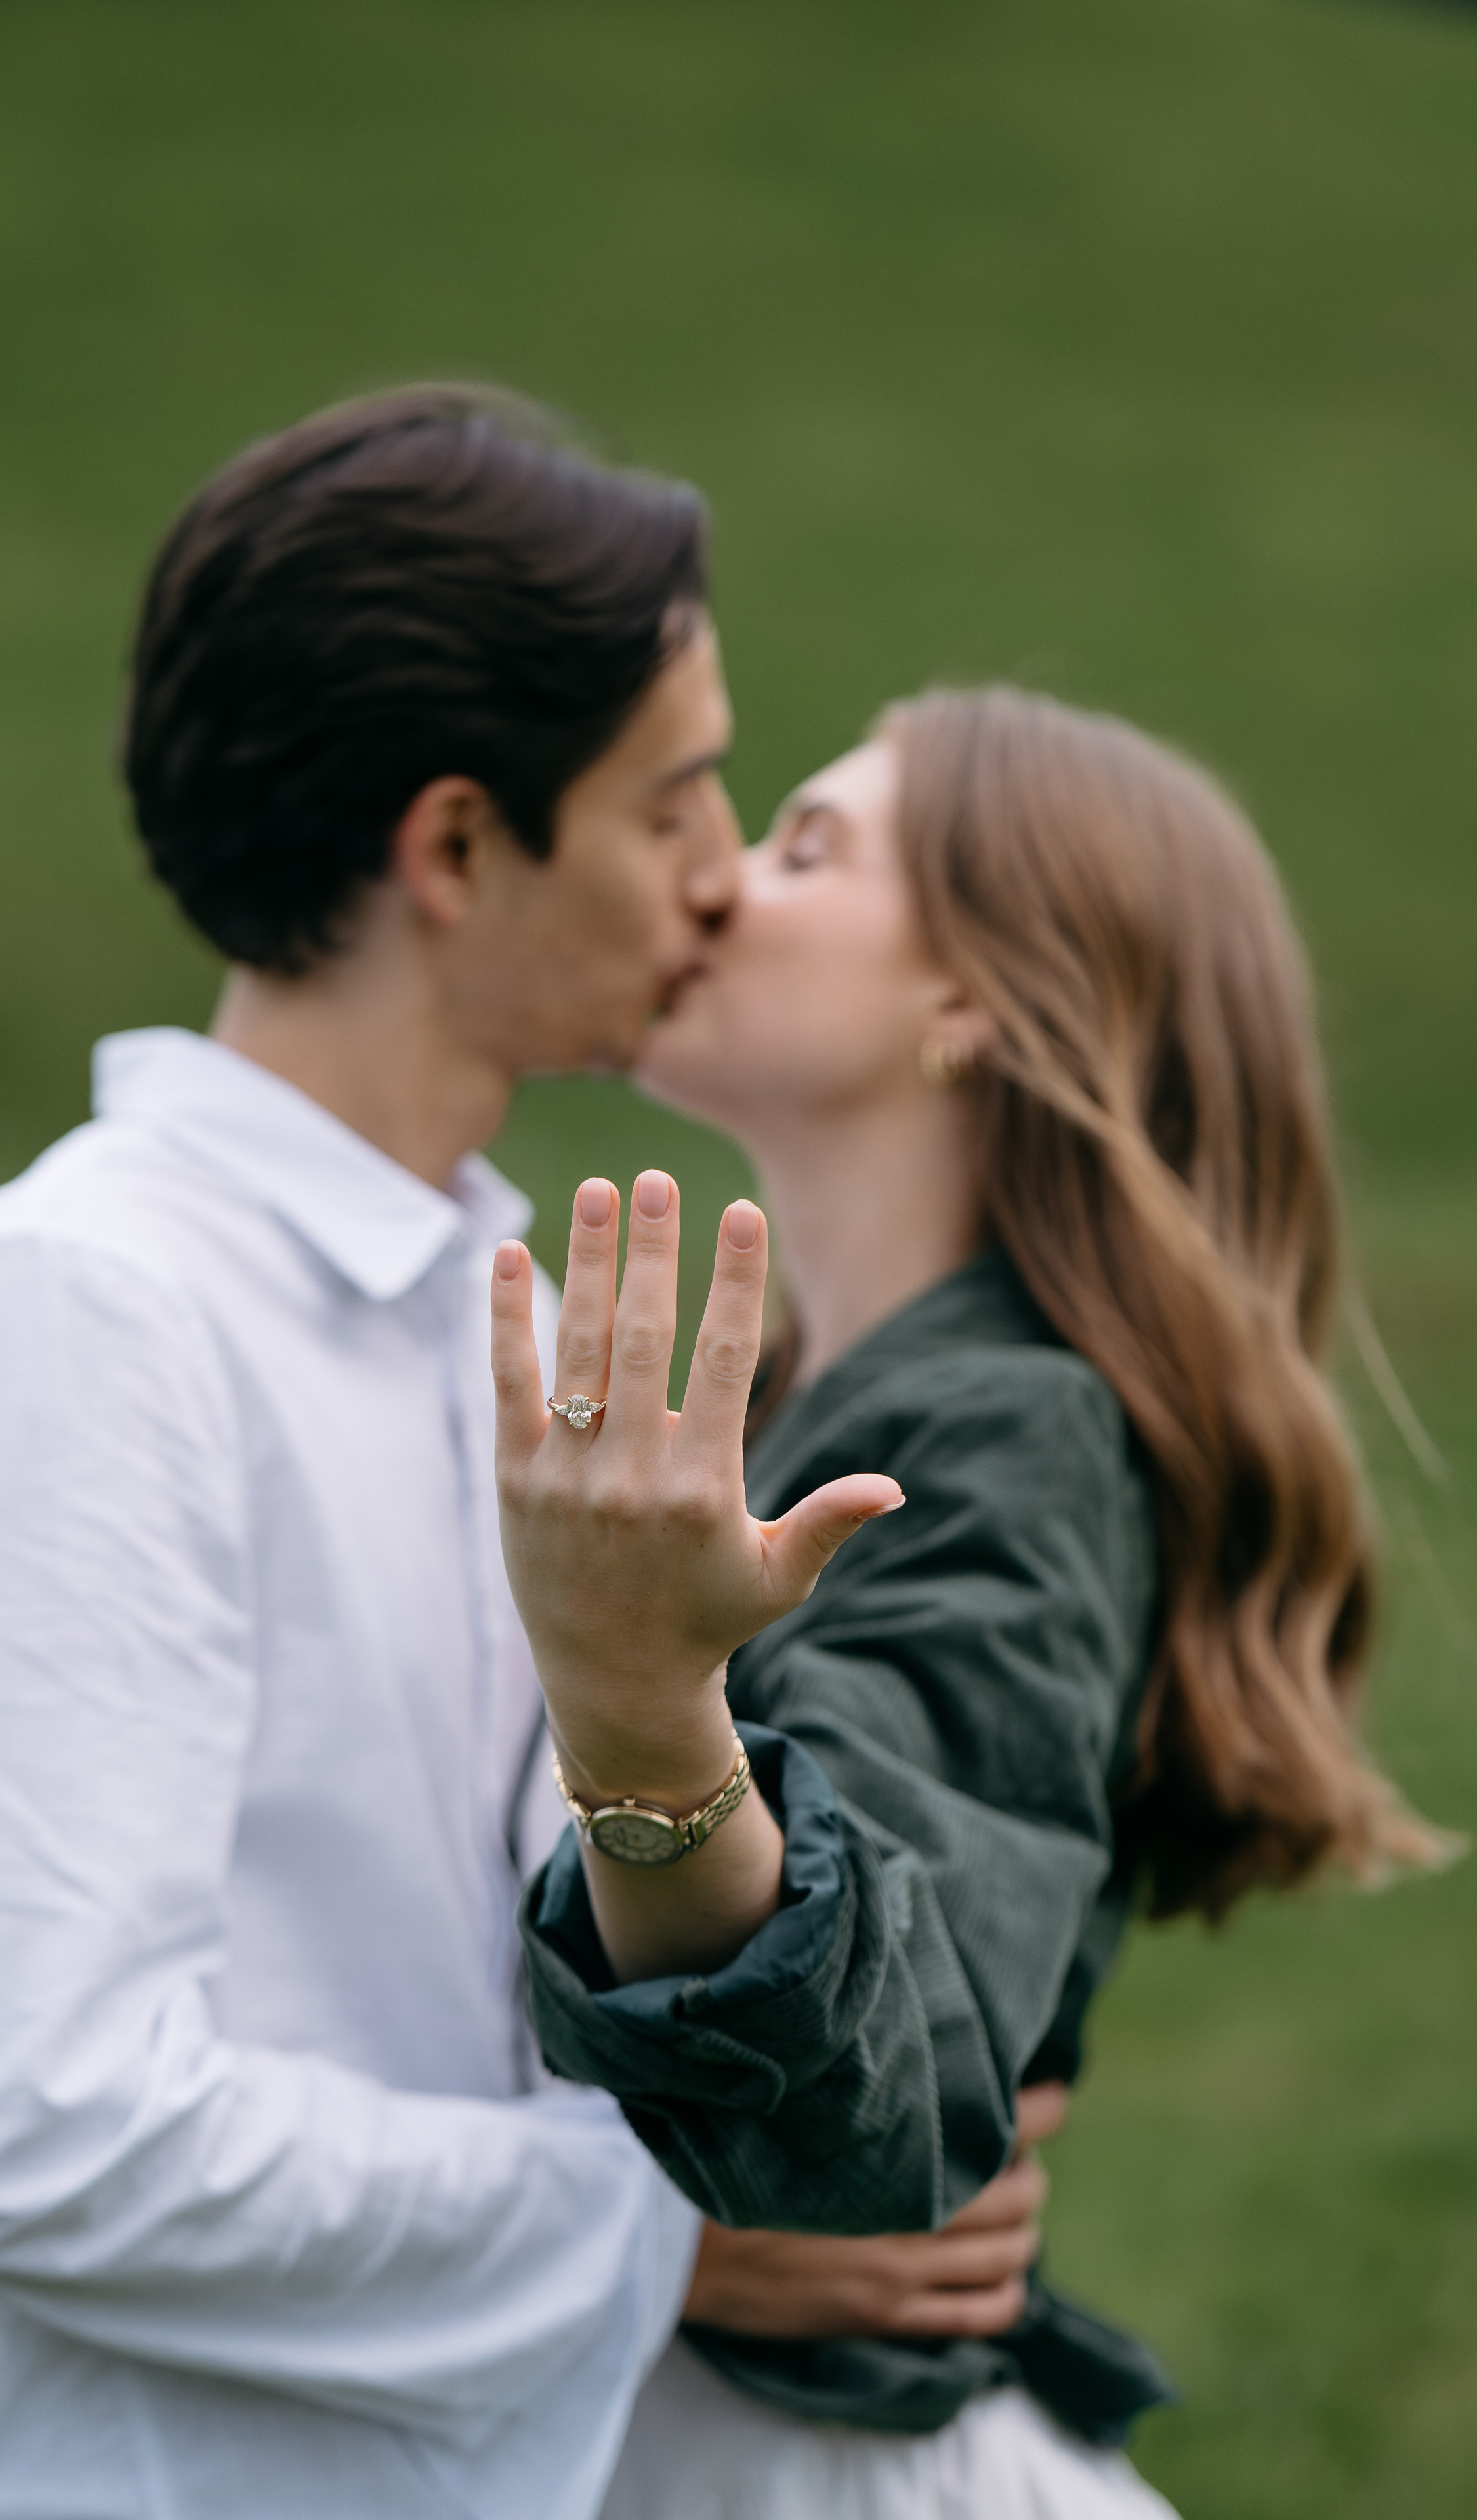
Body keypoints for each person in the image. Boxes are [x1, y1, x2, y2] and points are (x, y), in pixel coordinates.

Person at [0, 394, 1052, 2520]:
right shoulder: (74, 1313)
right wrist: (664, 2234)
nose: (728, 866)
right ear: (456, 846)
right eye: (670, 800)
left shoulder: (508, 1300)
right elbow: (44, 2135)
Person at [493, 687, 1446, 2515]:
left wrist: (639, 1706)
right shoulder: (787, 1401)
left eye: (806, 846)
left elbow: (876, 2087)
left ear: (975, 1003)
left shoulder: (1008, 1432)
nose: (712, 881)